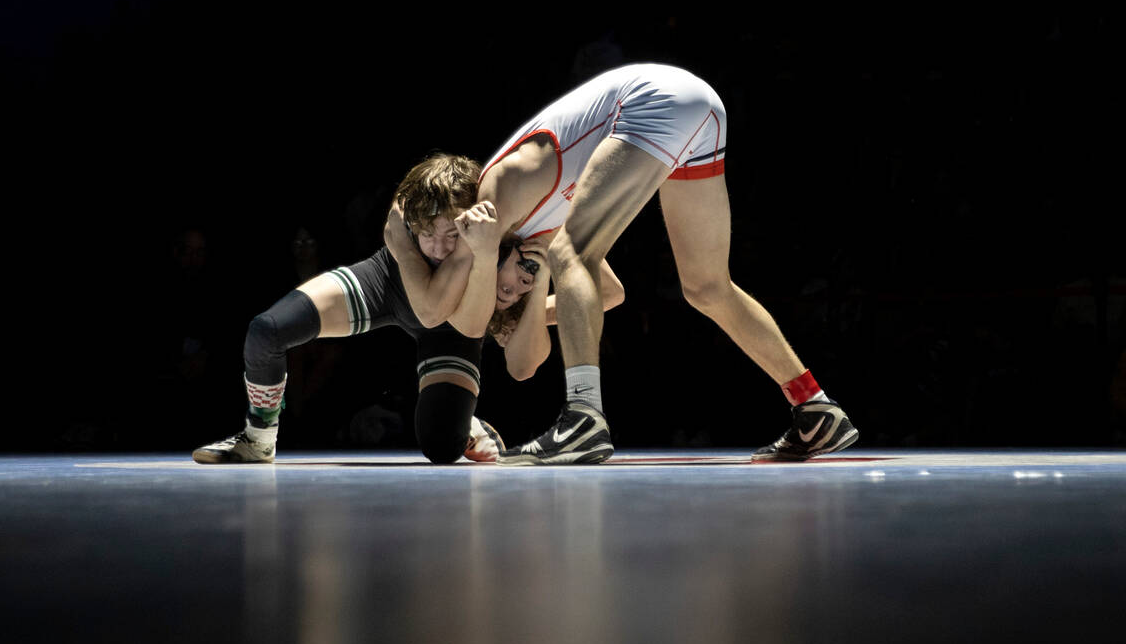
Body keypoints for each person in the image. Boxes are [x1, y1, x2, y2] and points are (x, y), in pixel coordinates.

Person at [392, 63, 858, 465]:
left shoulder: (495, 197)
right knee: (707, 286)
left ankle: (582, 417)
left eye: (504, 288)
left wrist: (408, 250)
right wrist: (537, 291)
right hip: (697, 112)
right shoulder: (529, 237)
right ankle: (815, 409)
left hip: (654, 99)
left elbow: (457, 312)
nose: (513, 289)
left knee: (572, 251)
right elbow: (587, 309)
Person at [192, 153, 613, 465]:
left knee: (441, 447)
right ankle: (258, 437)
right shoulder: (404, 228)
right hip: (389, 286)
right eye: (424, 235)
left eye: (451, 235)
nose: (438, 248)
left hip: (450, 328)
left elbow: (608, 291)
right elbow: (423, 292)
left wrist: (521, 312)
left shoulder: (501, 222)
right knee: (267, 331)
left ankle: (467, 421)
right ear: (409, 222)